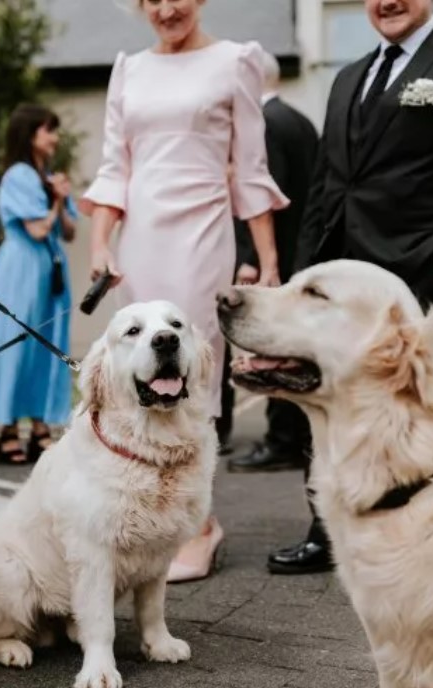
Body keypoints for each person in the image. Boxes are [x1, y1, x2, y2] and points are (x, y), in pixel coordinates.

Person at [267, 0, 433, 575]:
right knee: (329, 396)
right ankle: (327, 529)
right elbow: (329, 185)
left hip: (414, 276)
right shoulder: (347, 78)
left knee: (411, 404)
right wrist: (304, 275)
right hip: (336, 279)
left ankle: (421, 530)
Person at [80, 0, 289, 584]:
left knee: (197, 368)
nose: (167, 8)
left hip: (202, 232)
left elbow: (250, 167)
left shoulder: (236, 61)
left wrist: (268, 265)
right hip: (140, 234)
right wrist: (102, 244)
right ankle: (150, 511)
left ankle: (199, 523)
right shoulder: (129, 68)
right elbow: (113, 167)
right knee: (137, 371)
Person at [0, 104, 75, 462]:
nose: (55, 138)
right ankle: (9, 428)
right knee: (17, 342)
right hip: (21, 269)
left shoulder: (48, 174)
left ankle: (40, 425)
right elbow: (38, 229)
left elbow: (67, 231)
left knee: (46, 344)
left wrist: (61, 196)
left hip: (49, 268)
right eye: (48, 130)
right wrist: (56, 199)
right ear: (30, 134)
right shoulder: (19, 176)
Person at [227, 50, 320, 475]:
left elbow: (261, 198)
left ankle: (281, 440)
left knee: (271, 347)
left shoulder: (263, 125)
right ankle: (297, 436)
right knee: (294, 348)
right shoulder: (299, 122)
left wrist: (251, 259)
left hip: (276, 260)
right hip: (305, 252)